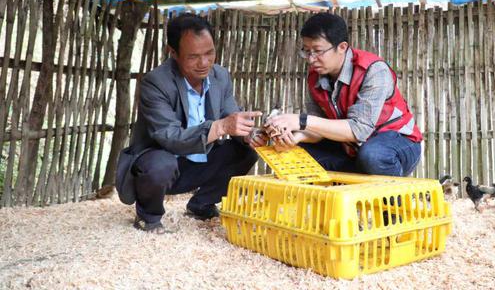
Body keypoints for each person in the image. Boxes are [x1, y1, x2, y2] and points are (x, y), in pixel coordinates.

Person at [126, 13, 261, 233]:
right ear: (173, 53)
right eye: (193, 56)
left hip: (200, 160)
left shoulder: (220, 76)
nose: (204, 63)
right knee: (160, 164)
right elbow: (168, 136)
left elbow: (231, 114)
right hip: (165, 165)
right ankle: (148, 216)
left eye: (210, 53)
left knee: (245, 152)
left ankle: (201, 204)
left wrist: (250, 134)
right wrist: (220, 127)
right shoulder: (156, 82)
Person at [255, 12, 422, 177]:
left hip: (397, 141)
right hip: (352, 148)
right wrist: (296, 137)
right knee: (295, 153)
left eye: (318, 51)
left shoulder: (373, 70)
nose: (311, 59)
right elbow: (317, 129)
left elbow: (359, 130)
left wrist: (301, 121)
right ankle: (348, 192)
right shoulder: (315, 77)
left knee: (373, 155)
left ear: (342, 47)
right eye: (306, 51)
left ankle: (397, 199)